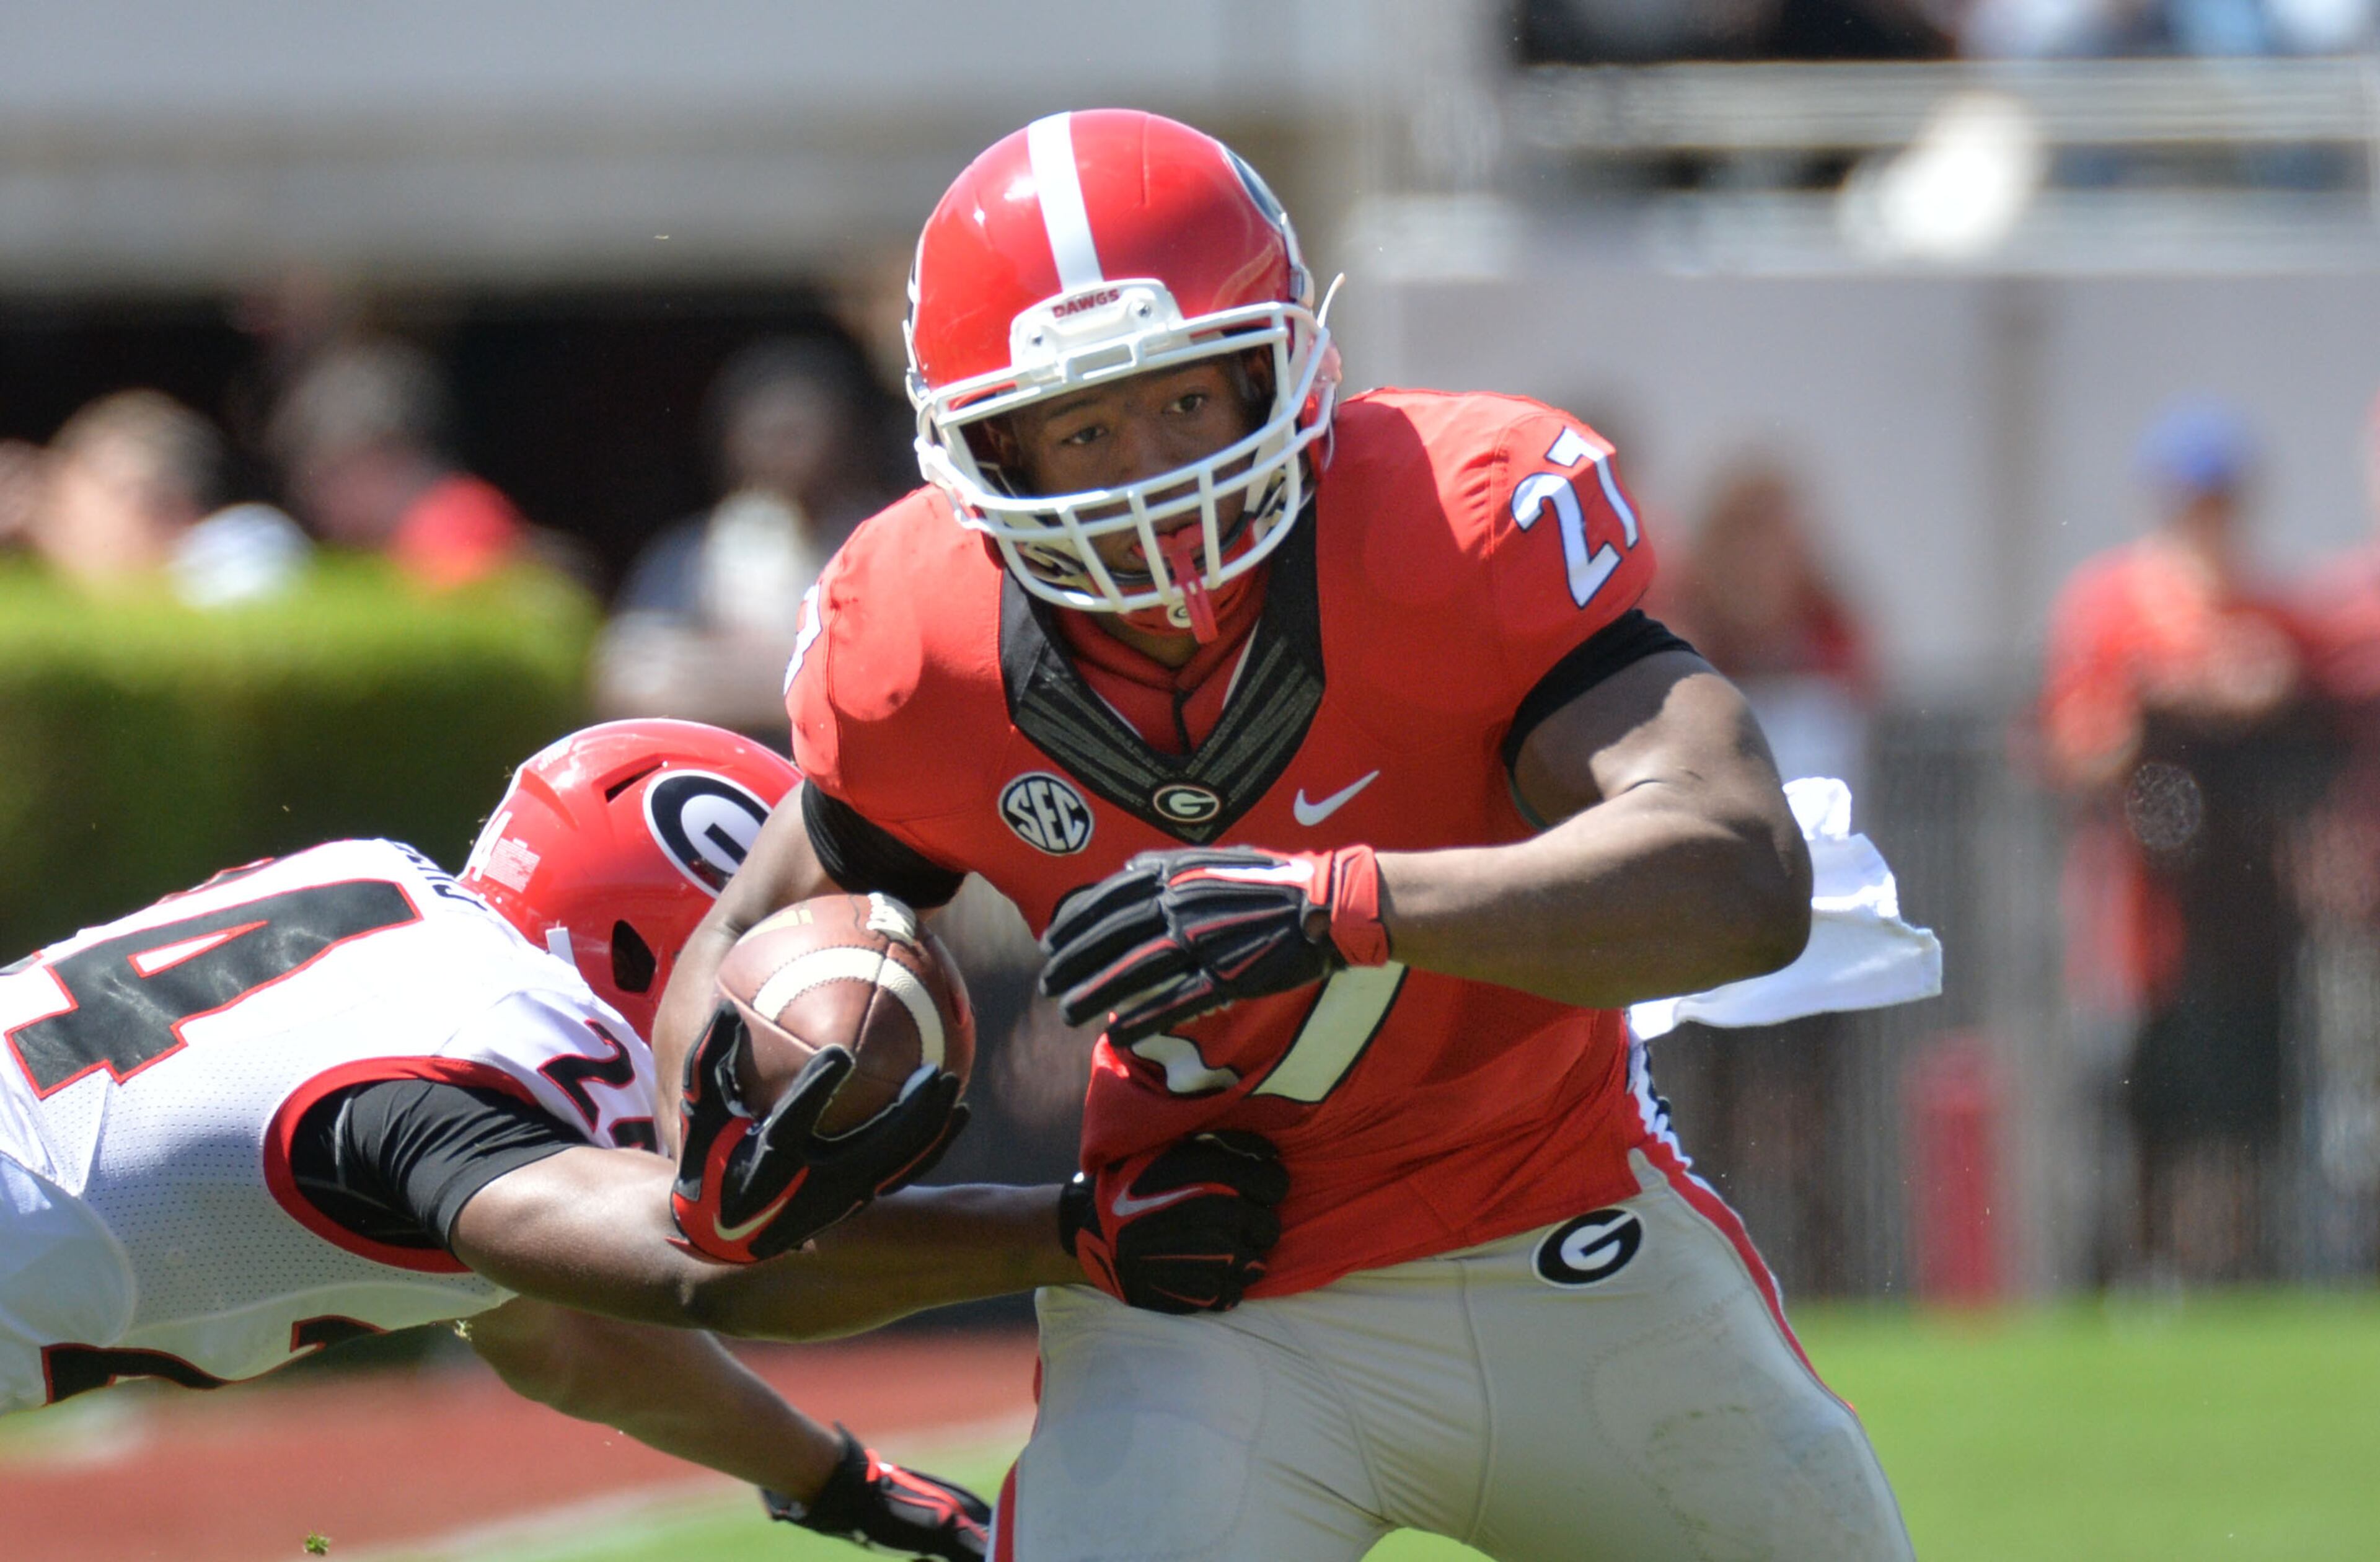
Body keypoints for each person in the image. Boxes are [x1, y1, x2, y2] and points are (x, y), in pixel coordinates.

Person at [653, 110, 1911, 1560]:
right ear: (983, 448)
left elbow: (1741, 873)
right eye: (1081, 428)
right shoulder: (917, 646)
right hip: (1204, 1301)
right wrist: (731, 1118)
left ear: (1281, 364)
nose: (1148, 477)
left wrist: (1346, 906)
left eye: (1186, 399)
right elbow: (740, 948)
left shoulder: (1458, 519)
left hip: (1557, 1229)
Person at [0, 718, 1285, 1561]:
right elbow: (691, 1263)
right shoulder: (487, 1057)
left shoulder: (390, 913)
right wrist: (1075, 1230)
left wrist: (837, 1480)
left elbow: (563, 1332)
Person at [2038, 398, 2311, 1283]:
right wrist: (2171, 690)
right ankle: (2133, 1277)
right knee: (2135, 1105)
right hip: (2138, 912)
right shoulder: (2111, 602)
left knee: (2239, 1106)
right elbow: (2074, 748)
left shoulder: (2266, 607)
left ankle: (2234, 1268)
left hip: (2242, 913)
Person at [596, 336, 894, 730]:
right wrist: (809, 677)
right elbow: (629, 684)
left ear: (849, 438)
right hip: (734, 772)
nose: (781, 450)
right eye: (765, 433)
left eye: (797, 432)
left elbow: (896, 679)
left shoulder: (885, 544)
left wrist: (721, 668)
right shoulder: (693, 554)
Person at [267, 338, 532, 589]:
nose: (314, 501)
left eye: (330, 476)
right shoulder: (387, 552)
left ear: (382, 457)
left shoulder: (456, 532)